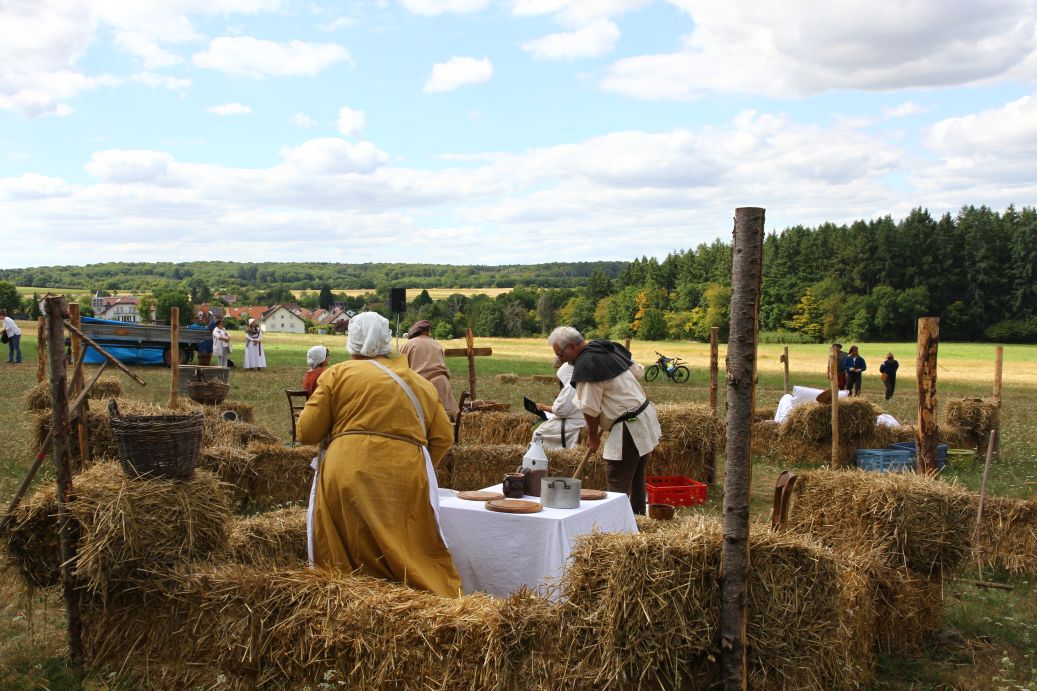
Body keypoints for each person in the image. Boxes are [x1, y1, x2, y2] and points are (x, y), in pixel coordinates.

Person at [297, 312, 460, 597]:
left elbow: (307, 432)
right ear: (387, 341)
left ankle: (354, 606)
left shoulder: (337, 374)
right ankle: (424, 601)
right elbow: (444, 437)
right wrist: (419, 467)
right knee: (406, 547)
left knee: (346, 552)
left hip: (346, 471)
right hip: (406, 474)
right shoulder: (420, 383)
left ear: (353, 342)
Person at [548, 326, 661, 515]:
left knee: (617, 479)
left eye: (561, 354)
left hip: (629, 425)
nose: (562, 360)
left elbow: (589, 408)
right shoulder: (605, 347)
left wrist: (593, 436)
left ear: (573, 346)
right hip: (643, 415)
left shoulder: (587, 365)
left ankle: (617, 525)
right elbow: (637, 372)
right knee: (636, 477)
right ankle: (637, 519)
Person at [399, 319, 459, 419]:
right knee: (443, 418)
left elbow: (401, 369)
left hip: (421, 386)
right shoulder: (437, 344)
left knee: (422, 418)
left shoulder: (408, 345)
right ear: (427, 332)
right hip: (441, 384)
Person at [530, 361, 586, 449]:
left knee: (539, 432)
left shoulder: (571, 388)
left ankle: (545, 452)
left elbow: (561, 411)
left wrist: (544, 407)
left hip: (574, 423)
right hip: (577, 420)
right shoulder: (580, 384)